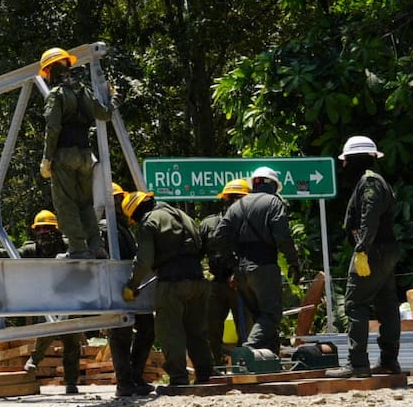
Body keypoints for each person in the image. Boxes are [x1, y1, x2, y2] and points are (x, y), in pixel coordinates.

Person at [120, 191, 213, 389]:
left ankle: (179, 380)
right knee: (196, 332)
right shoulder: (183, 216)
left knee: (170, 332)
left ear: (137, 212)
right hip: (198, 280)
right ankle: (206, 377)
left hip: (172, 284)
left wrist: (132, 285)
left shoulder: (150, 222)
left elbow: (144, 261)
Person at [326, 136, 401, 378]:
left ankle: (357, 364)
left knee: (354, 304)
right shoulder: (375, 180)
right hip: (384, 251)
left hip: (372, 252)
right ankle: (389, 362)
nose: (344, 166)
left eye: (347, 160)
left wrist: (361, 248)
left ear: (356, 160)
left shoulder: (369, 182)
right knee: (387, 306)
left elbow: (369, 215)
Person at [211, 166, 298, 353]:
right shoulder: (273, 202)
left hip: (241, 271)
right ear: (274, 185)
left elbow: (219, 236)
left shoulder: (237, 206)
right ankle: (248, 350)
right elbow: (283, 236)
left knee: (260, 317)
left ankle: (271, 359)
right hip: (264, 266)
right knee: (271, 315)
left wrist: (233, 263)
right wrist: (293, 262)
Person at [38, 47, 114, 259]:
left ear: (50, 70)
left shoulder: (56, 95)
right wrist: (115, 99)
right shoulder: (84, 92)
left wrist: (47, 158)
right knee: (85, 203)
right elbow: (105, 114)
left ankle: (78, 249)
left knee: (66, 202)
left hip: (64, 155)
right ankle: (96, 246)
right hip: (85, 156)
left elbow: (53, 128)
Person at [19, 210, 83, 395]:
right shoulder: (32, 249)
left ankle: (71, 382)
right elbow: (12, 254)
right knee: (46, 330)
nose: (43, 233)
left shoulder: (66, 246)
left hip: (70, 298)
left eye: (47, 229)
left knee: (72, 343)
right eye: (39, 229)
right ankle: (34, 361)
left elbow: (83, 255)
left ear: (56, 230)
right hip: (47, 298)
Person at [105, 183, 156, 397]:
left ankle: (135, 376)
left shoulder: (124, 228)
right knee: (120, 335)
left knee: (147, 330)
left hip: (133, 289)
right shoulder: (104, 228)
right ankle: (124, 383)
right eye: (114, 200)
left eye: (119, 199)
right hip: (115, 290)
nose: (118, 204)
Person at [200, 179, 252, 365]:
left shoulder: (250, 223)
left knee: (245, 327)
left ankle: (244, 363)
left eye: (240, 198)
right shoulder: (209, 224)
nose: (235, 202)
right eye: (232, 198)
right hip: (216, 284)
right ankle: (215, 364)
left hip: (242, 284)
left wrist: (239, 274)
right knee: (210, 328)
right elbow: (198, 253)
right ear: (225, 200)